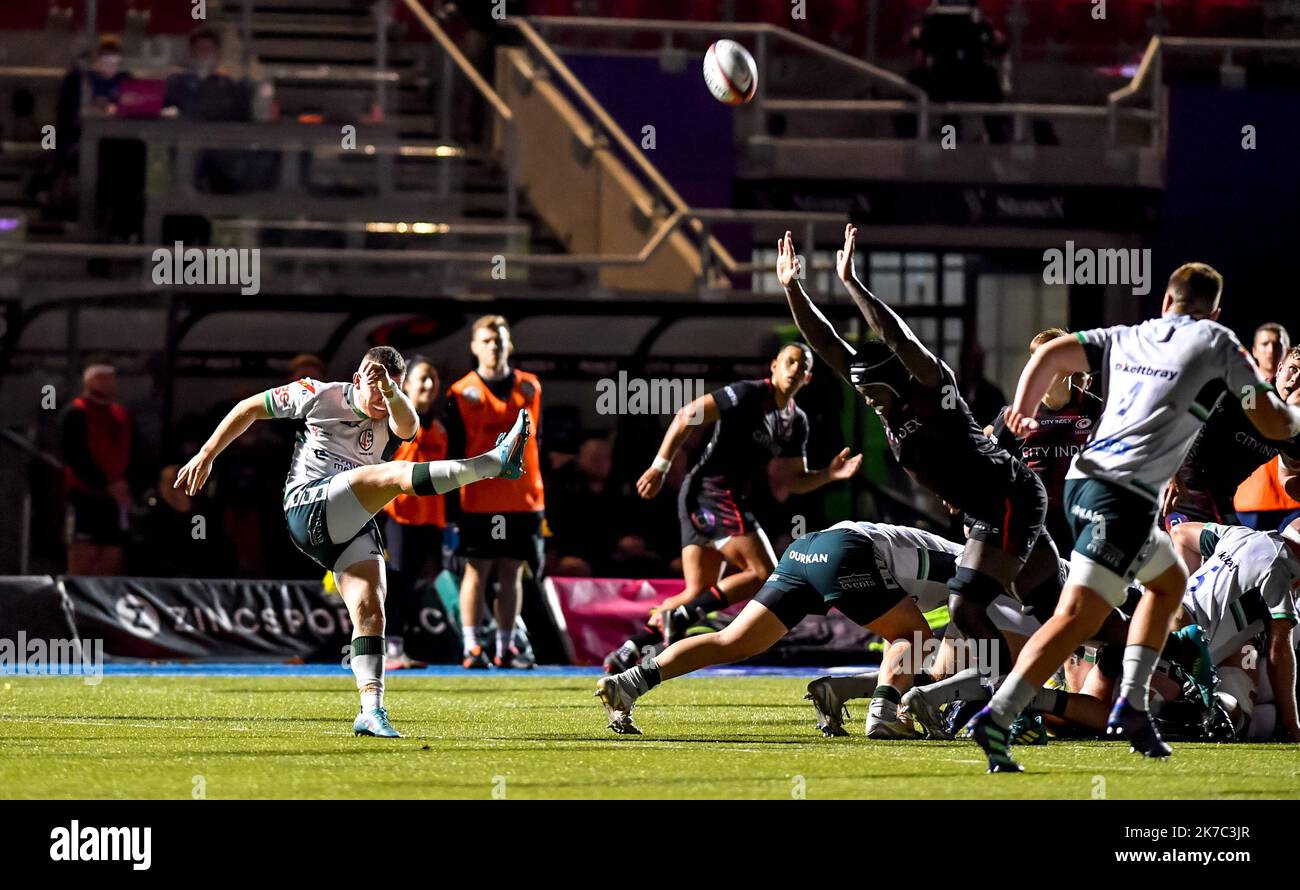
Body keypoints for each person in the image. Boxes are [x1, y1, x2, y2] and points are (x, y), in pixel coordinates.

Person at [969, 262, 1300, 772]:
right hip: (1119, 495)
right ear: (1214, 310)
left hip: (1088, 483)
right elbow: (1270, 417)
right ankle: (1004, 712)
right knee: (1079, 616)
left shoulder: (1130, 335)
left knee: (1167, 582)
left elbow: (1053, 352)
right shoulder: (1217, 341)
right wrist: (1294, 420)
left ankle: (1131, 704)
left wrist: (1021, 407)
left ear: (1166, 301)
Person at [175, 346, 530, 737]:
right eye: (375, 389)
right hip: (307, 508)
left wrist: (391, 392)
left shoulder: (395, 411)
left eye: (391, 389)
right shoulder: (317, 393)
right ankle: (494, 463)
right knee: (392, 476)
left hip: (351, 519)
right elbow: (249, 407)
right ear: (357, 380)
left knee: (371, 609)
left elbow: (409, 426)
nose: (381, 399)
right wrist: (207, 455)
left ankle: (371, 710)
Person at [780, 226, 1063, 685]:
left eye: (874, 391)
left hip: (1010, 498)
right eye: (863, 391)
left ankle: (1009, 705)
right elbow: (828, 345)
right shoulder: (881, 393)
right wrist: (793, 288)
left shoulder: (931, 386)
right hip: (984, 507)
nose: (868, 399)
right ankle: (1164, 654)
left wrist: (852, 282)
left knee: (967, 608)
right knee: (1053, 606)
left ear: (896, 381)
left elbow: (898, 337)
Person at [601, 343, 861, 673]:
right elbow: (688, 414)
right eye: (789, 361)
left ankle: (628, 649)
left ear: (807, 378)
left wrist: (828, 475)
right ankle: (683, 616)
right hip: (711, 492)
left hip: (718, 498)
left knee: (696, 592)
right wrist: (660, 466)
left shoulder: (796, 422)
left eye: (802, 365)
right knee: (768, 573)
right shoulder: (747, 394)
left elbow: (792, 480)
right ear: (774, 366)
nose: (794, 368)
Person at [595, 519, 935, 737]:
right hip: (845, 550)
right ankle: (884, 714)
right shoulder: (977, 575)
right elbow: (951, 647)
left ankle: (629, 682)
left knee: (733, 641)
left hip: (806, 549)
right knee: (914, 637)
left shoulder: (967, 560)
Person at [445, 315, 544, 670]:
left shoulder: (531, 387)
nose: (494, 346)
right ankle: (472, 646)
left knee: (512, 572)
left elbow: (536, 442)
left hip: (523, 498)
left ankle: (506, 647)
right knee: (477, 570)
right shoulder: (460, 392)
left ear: (510, 345)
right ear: (474, 347)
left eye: (499, 339)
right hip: (478, 500)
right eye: (486, 340)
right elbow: (453, 451)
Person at [1164, 519, 1300, 740]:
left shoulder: (1242, 535)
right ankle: (1207, 707)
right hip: (1185, 656)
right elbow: (1280, 651)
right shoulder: (1281, 567)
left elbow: (1180, 532)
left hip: (1160, 620)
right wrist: (1291, 724)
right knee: (1234, 717)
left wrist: (1182, 600)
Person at [991, 328, 1103, 553]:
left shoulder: (1098, 411)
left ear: (1070, 366)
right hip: (1034, 525)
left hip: (1085, 524)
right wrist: (972, 517)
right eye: (1036, 360)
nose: (1041, 367)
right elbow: (991, 470)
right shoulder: (1014, 415)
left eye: (1049, 360)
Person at [1165, 344, 1300, 526]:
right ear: (1280, 368)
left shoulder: (1294, 427)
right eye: (1293, 369)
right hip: (1185, 482)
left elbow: (1288, 477)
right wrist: (1169, 474)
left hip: (1221, 496)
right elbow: (1176, 417)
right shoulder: (1248, 391)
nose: (1296, 379)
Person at [381, 356, 448, 669]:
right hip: (399, 518)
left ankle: (401, 648)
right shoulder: (397, 425)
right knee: (396, 583)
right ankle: (390, 649)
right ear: (405, 384)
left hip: (430, 520)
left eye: (433, 378)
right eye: (422, 378)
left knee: (411, 586)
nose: (429, 384)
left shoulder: (440, 430)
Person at [61, 361, 136, 576]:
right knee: (83, 554)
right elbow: (74, 456)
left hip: (115, 499)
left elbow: (134, 452)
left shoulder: (122, 415)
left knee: (112, 554)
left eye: (110, 378)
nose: (108, 384)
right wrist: (105, 483)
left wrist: (126, 486)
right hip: (84, 495)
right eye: (101, 378)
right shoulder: (76, 413)